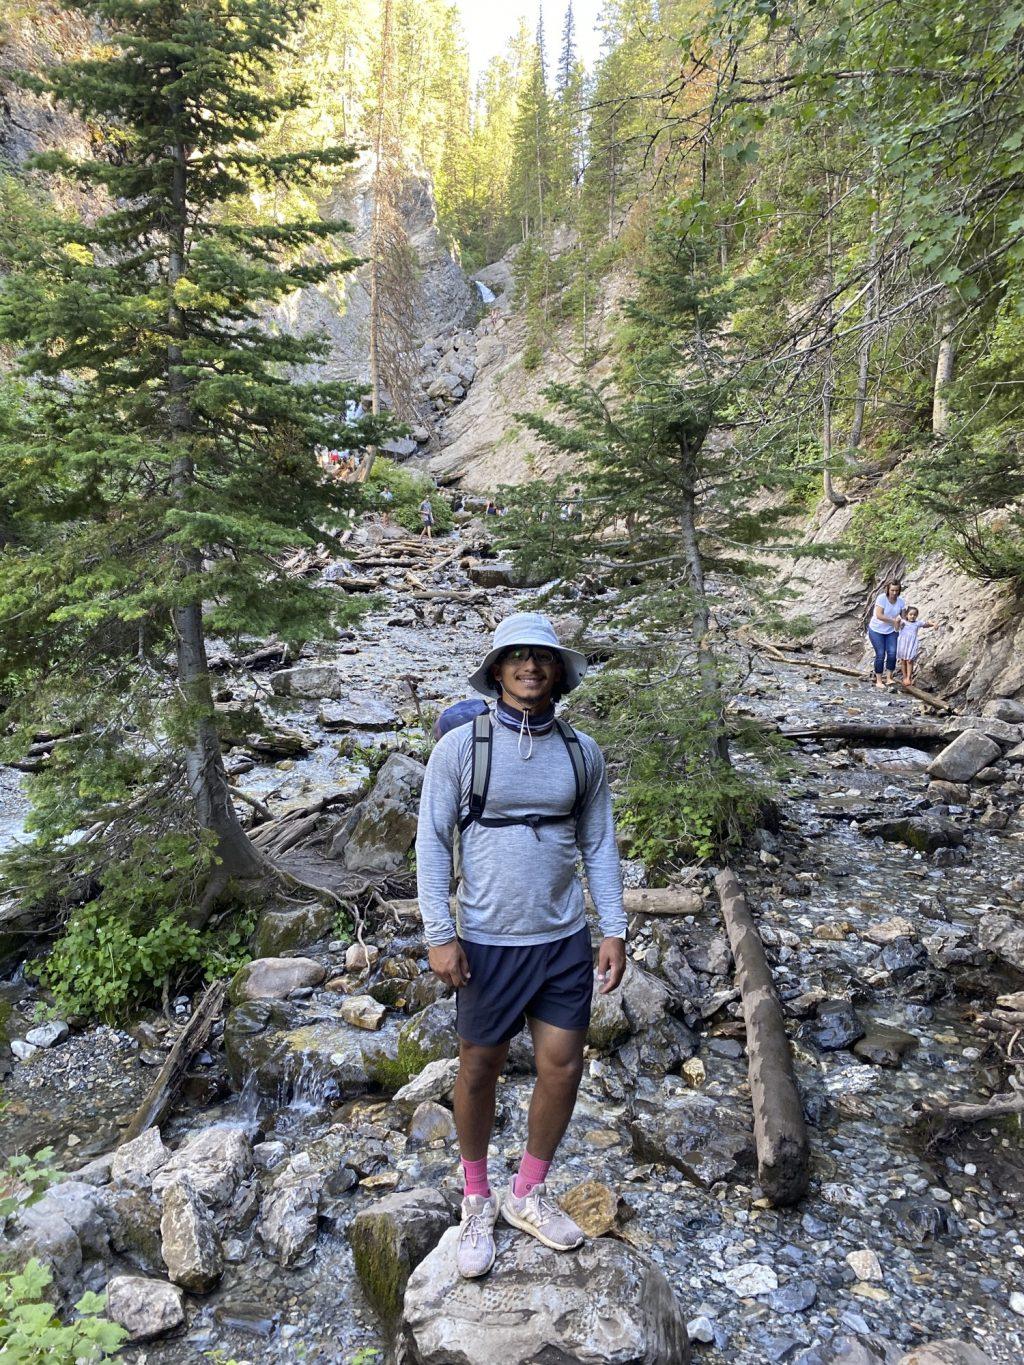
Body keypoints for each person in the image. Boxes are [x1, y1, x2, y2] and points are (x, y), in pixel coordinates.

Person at [415, 612, 627, 1280]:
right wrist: (438, 934)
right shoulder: (461, 747)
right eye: (517, 657)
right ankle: (475, 1197)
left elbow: (598, 842)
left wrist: (614, 926)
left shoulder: (580, 751)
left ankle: (526, 1191)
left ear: (557, 670)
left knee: (562, 1066)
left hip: (563, 937)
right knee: (478, 1066)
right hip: (486, 938)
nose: (530, 667)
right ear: (498, 669)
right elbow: (430, 839)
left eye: (542, 657)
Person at [867, 579, 907, 688]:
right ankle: (879, 680)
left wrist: (902, 623)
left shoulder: (901, 601)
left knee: (892, 653)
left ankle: (889, 678)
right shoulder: (882, 598)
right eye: (892, 590)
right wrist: (893, 620)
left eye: (896, 591)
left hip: (892, 631)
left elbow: (903, 617)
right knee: (880, 653)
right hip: (876, 630)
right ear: (888, 590)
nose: (894, 593)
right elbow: (879, 615)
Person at [895, 606, 938, 687]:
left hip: (911, 644)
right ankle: (904, 677)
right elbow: (896, 629)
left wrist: (933, 624)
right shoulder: (903, 622)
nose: (912, 616)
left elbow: (926, 624)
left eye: (914, 615)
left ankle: (909, 677)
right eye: (910, 614)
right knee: (903, 660)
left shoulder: (917, 623)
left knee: (910, 661)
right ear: (907, 615)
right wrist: (897, 622)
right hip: (903, 644)